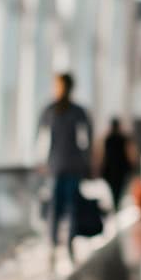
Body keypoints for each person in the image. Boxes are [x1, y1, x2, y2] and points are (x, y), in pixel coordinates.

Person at [36, 72, 92, 256]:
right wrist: (86, 159)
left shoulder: (50, 110)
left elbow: (40, 138)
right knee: (70, 206)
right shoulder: (78, 111)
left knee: (56, 206)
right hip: (71, 165)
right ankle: (67, 243)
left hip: (56, 166)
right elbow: (87, 140)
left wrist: (42, 161)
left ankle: (54, 243)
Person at [100, 117, 135, 211]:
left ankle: (115, 207)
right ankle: (116, 207)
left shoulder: (108, 139)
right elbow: (129, 153)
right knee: (118, 191)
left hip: (111, 169)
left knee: (113, 191)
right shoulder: (122, 138)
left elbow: (103, 155)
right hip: (120, 169)